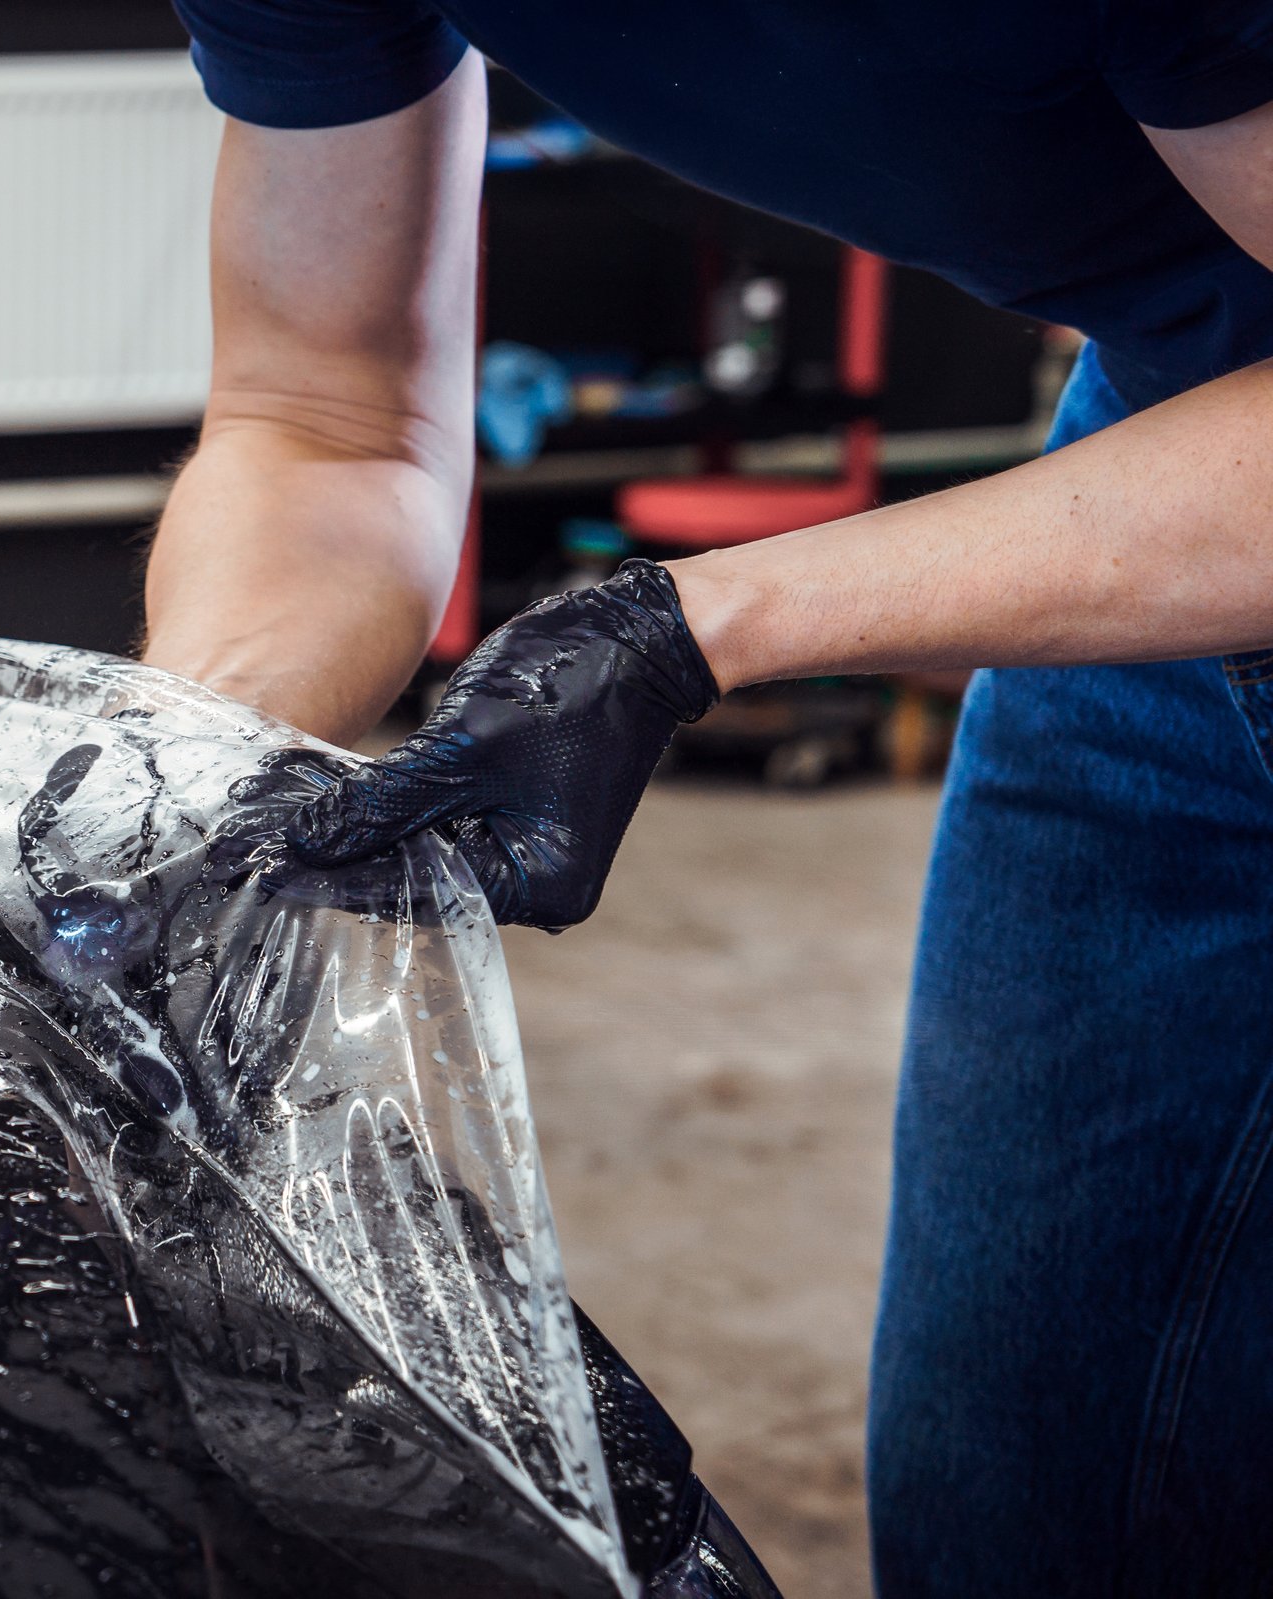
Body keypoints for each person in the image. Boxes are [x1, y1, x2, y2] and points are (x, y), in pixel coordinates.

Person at [140, 5, 1273, 1594]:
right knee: (1030, 1488)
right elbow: (324, 415)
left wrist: (701, 627)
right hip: (1186, 464)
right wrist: (175, 770)